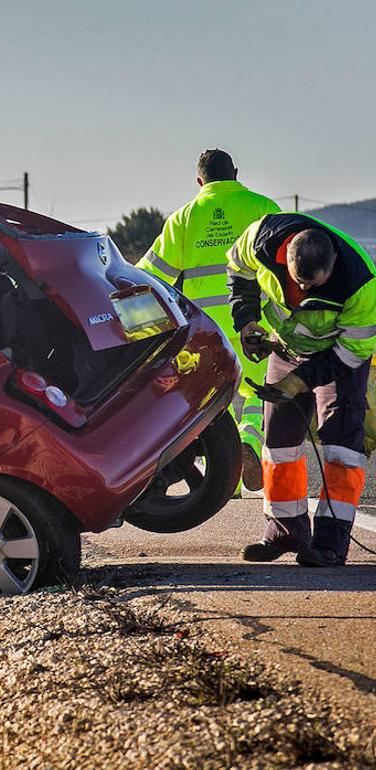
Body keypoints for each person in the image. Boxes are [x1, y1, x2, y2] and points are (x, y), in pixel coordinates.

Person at [228, 215, 376, 567]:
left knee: (341, 448)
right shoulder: (260, 238)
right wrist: (246, 320)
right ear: (285, 259)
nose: (304, 292)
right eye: (299, 283)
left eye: (314, 285)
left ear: (333, 265)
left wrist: (298, 382)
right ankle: (284, 531)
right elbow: (237, 267)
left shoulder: (361, 284)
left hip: (338, 359)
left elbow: (352, 351)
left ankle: (330, 544)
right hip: (286, 349)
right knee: (278, 446)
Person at [138, 149, 281, 491]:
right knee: (259, 389)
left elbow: (150, 274)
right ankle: (251, 437)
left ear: (199, 182)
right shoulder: (263, 208)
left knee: (219, 400)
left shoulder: (184, 218)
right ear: (236, 173)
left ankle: (228, 478)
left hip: (207, 328)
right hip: (254, 320)